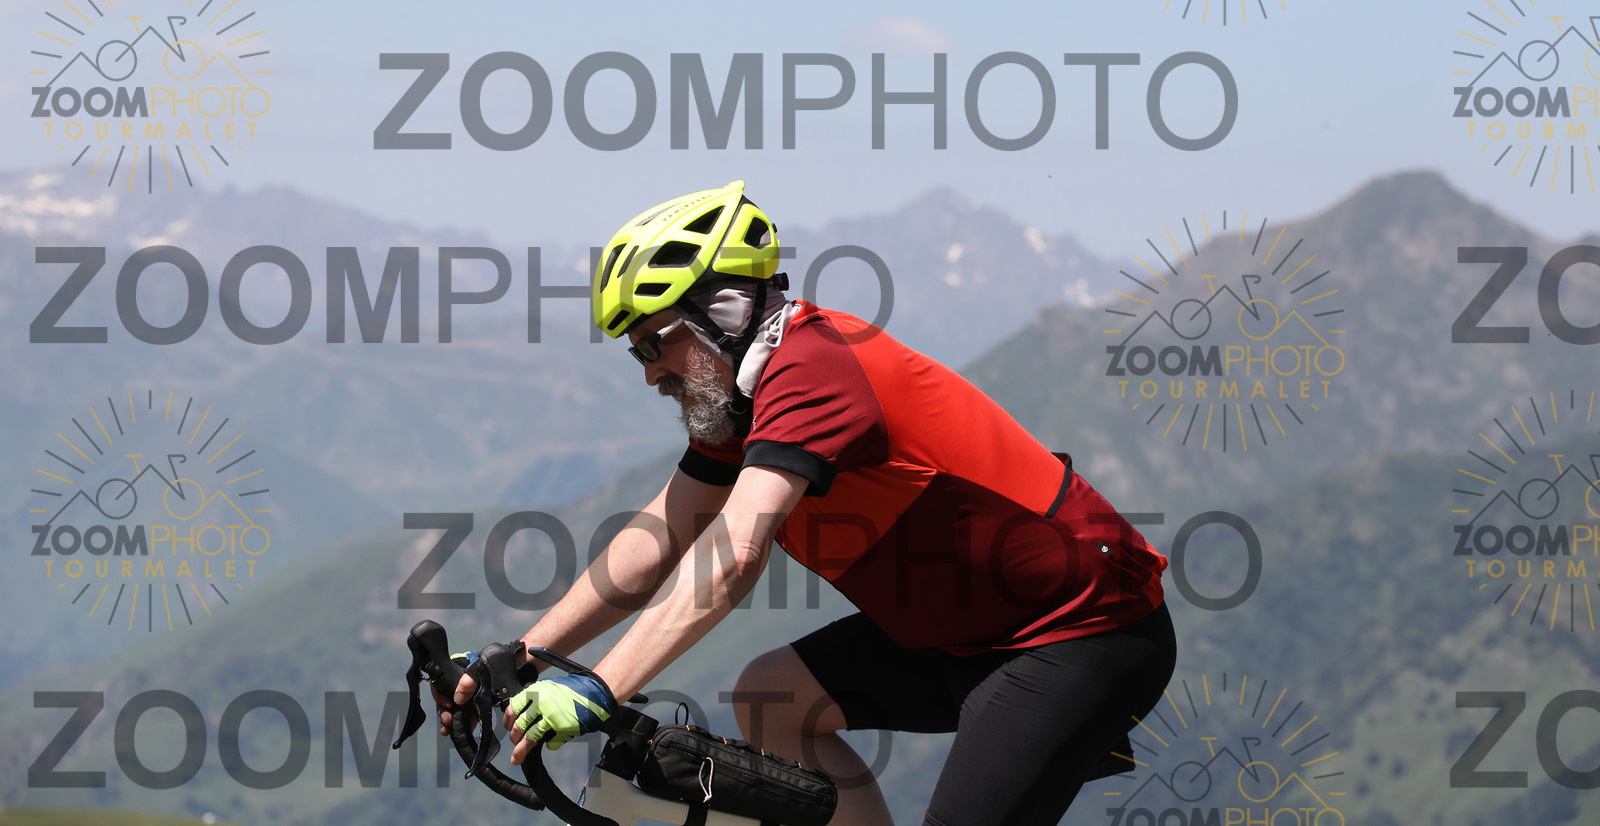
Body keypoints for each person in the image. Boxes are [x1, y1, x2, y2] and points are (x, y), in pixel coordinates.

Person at [438, 180, 1177, 826]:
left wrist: (602, 686)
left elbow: (732, 556)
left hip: (1077, 633)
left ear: (723, 313)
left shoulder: (814, 370)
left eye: (656, 343)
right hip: (964, 633)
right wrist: (526, 653)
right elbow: (659, 537)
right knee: (772, 698)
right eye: (636, 352)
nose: (650, 372)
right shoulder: (738, 402)